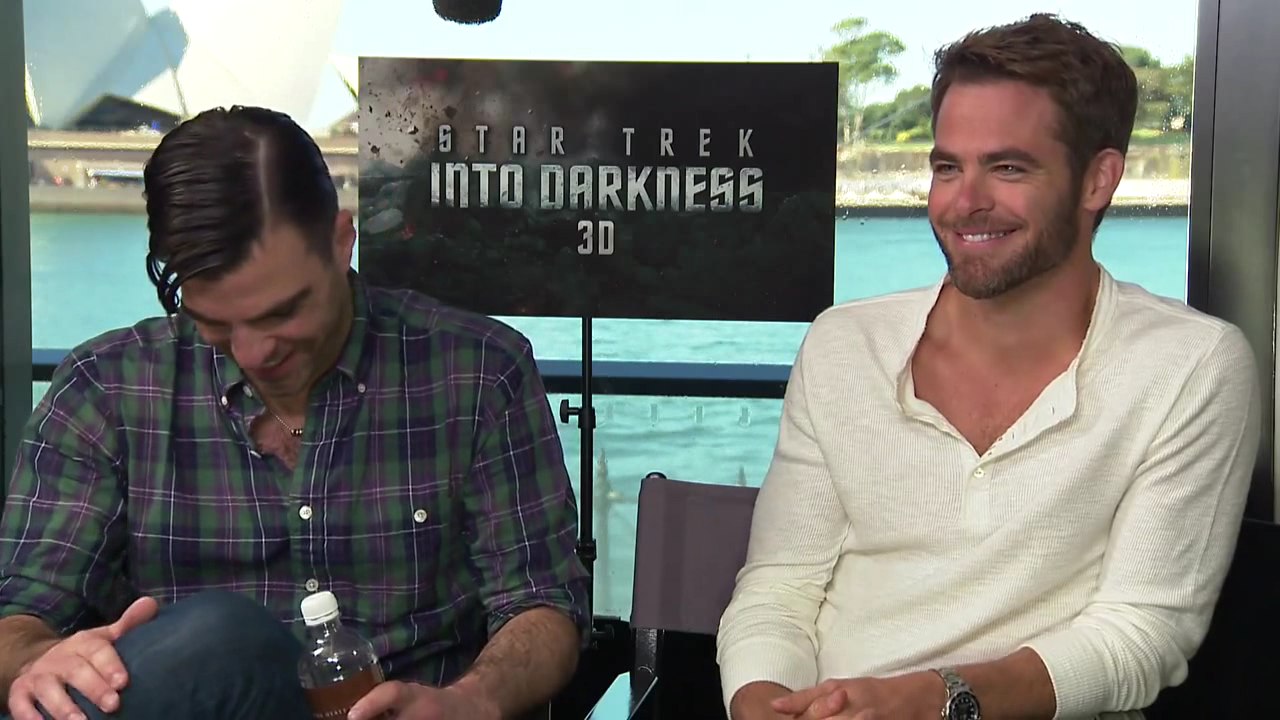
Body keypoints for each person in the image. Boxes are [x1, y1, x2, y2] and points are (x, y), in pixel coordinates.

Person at [717, 13, 1260, 720]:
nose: (964, 202)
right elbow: (778, 593)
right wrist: (763, 705)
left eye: (1007, 168)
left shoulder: (1190, 364)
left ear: (1098, 180)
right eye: (948, 167)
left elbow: (1141, 634)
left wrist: (931, 700)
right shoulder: (845, 344)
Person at [0, 106, 590, 720]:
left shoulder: (478, 371)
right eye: (215, 324)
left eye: (282, 312)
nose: (255, 352)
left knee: (222, 631)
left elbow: (543, 604)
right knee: (220, 636)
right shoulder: (103, 388)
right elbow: (19, 610)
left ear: (341, 242)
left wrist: (472, 702)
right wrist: (41, 661)